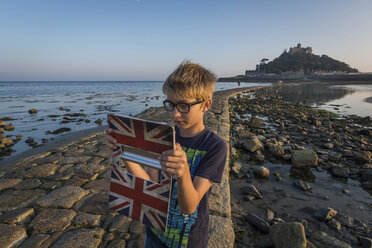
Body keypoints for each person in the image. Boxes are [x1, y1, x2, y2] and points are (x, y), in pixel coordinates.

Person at [106, 61, 227, 248]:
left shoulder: (215, 147)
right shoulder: (163, 138)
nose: (175, 114)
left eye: (183, 106)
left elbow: (189, 207)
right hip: (154, 234)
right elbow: (150, 184)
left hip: (187, 242)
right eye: (170, 105)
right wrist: (125, 153)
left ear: (206, 105)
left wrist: (183, 173)